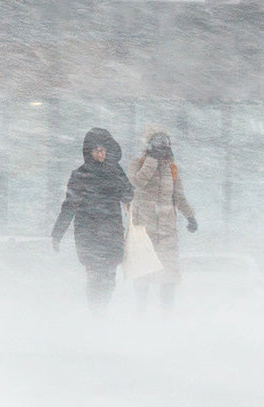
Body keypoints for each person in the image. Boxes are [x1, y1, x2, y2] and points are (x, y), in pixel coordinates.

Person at [52, 128, 134, 312]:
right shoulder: (80, 175)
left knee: (109, 276)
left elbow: (128, 194)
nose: (101, 154)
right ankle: (96, 311)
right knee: (95, 275)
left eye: (104, 150)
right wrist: (57, 233)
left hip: (111, 231)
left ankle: (101, 310)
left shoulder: (115, 172)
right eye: (97, 150)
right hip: (88, 233)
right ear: (90, 152)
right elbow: (69, 205)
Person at [128, 128, 197, 312]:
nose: (163, 152)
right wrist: (151, 161)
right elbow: (137, 182)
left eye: (165, 148)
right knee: (143, 274)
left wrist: (190, 215)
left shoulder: (172, 169)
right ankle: (140, 311)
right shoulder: (138, 163)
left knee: (169, 275)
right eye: (159, 148)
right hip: (144, 230)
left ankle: (167, 314)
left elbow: (179, 196)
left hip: (167, 232)